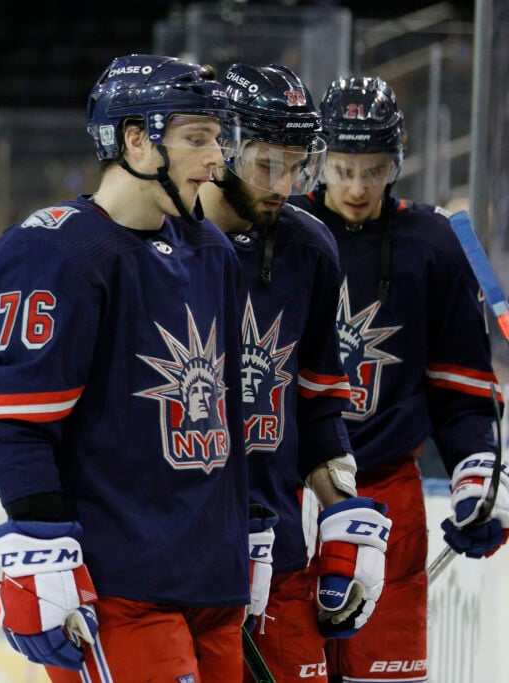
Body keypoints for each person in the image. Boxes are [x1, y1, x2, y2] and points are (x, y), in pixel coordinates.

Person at [0, 54, 252, 682]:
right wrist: (40, 548)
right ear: (136, 140)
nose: (216, 160)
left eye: (217, 140)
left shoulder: (213, 251)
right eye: (196, 138)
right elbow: (10, 421)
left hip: (214, 583)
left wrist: (248, 528)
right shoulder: (57, 249)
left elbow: (229, 413)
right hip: (118, 587)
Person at [289, 76, 506, 683]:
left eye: (375, 170)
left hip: (388, 497)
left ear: (397, 164)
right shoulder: (280, 233)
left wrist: (477, 473)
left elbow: (461, 389)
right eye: (343, 168)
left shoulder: (435, 243)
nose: (358, 187)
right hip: (288, 495)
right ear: (319, 160)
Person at [198, 63, 393, 682]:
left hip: (280, 554)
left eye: (297, 163)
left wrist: (341, 513)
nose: (284, 183)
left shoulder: (310, 248)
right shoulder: (161, 244)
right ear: (223, 147)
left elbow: (318, 399)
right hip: (179, 563)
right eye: (266, 164)